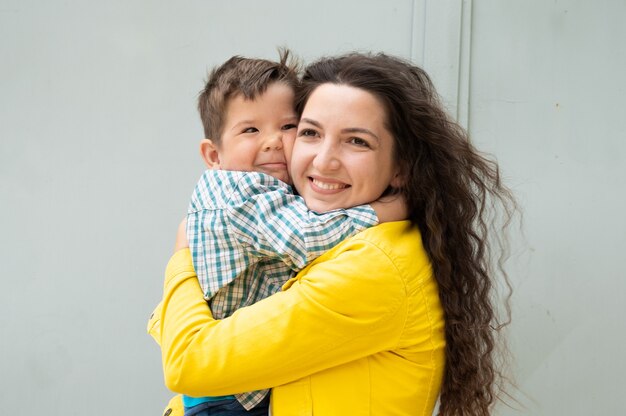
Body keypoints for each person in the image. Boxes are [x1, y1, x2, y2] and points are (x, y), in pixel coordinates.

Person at [150, 52, 516, 415]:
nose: (324, 160)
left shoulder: (373, 265)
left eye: (357, 141)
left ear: (402, 168)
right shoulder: (310, 225)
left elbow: (189, 361)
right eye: (310, 132)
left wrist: (183, 256)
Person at [153, 52, 405, 416]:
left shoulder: (277, 191)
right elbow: (305, 238)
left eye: (288, 127)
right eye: (251, 130)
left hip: (237, 380)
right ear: (213, 155)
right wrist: (388, 209)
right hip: (226, 395)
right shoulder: (242, 193)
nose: (273, 141)